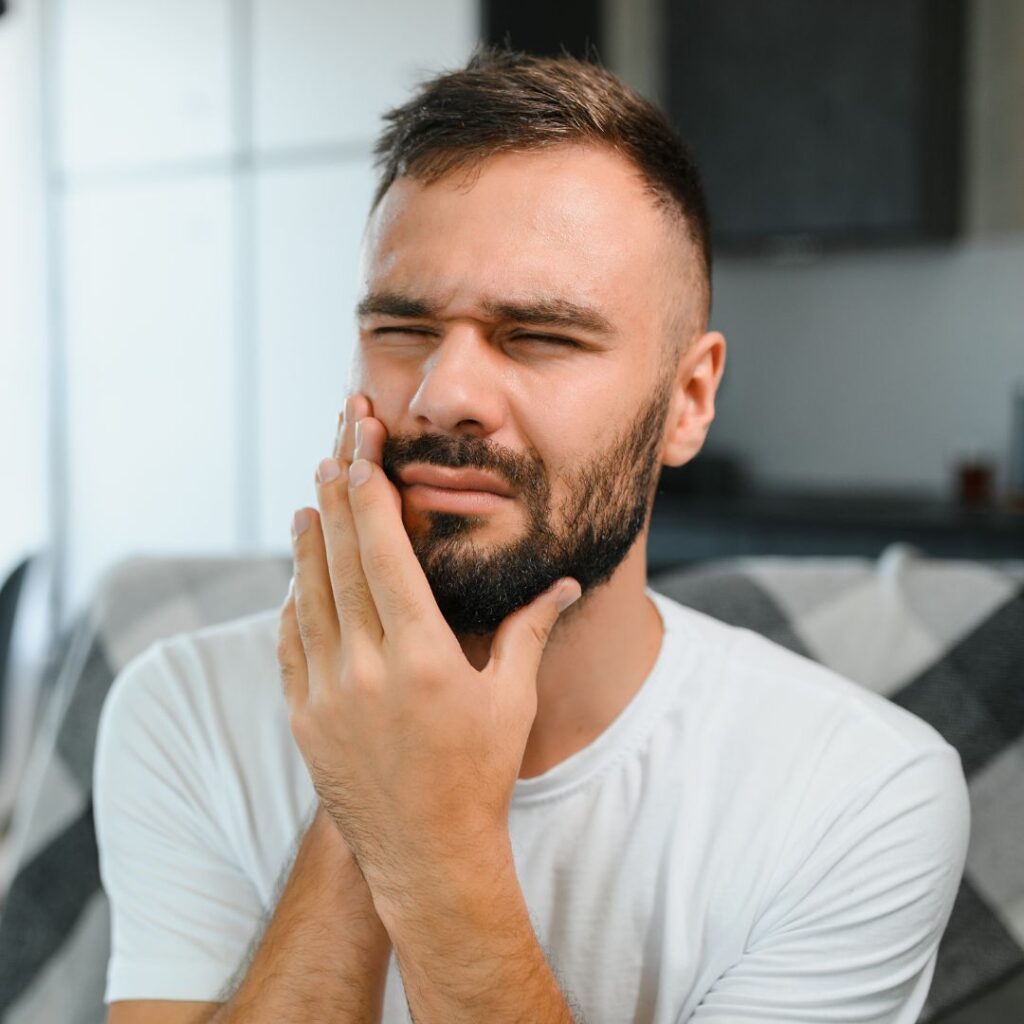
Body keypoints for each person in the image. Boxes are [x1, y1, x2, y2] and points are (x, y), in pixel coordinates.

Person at [95, 47, 969, 1024]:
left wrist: (419, 828)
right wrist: (362, 775)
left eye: (539, 335)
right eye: (401, 328)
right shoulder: (180, 708)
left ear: (688, 400)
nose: (443, 396)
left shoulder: (859, 795)